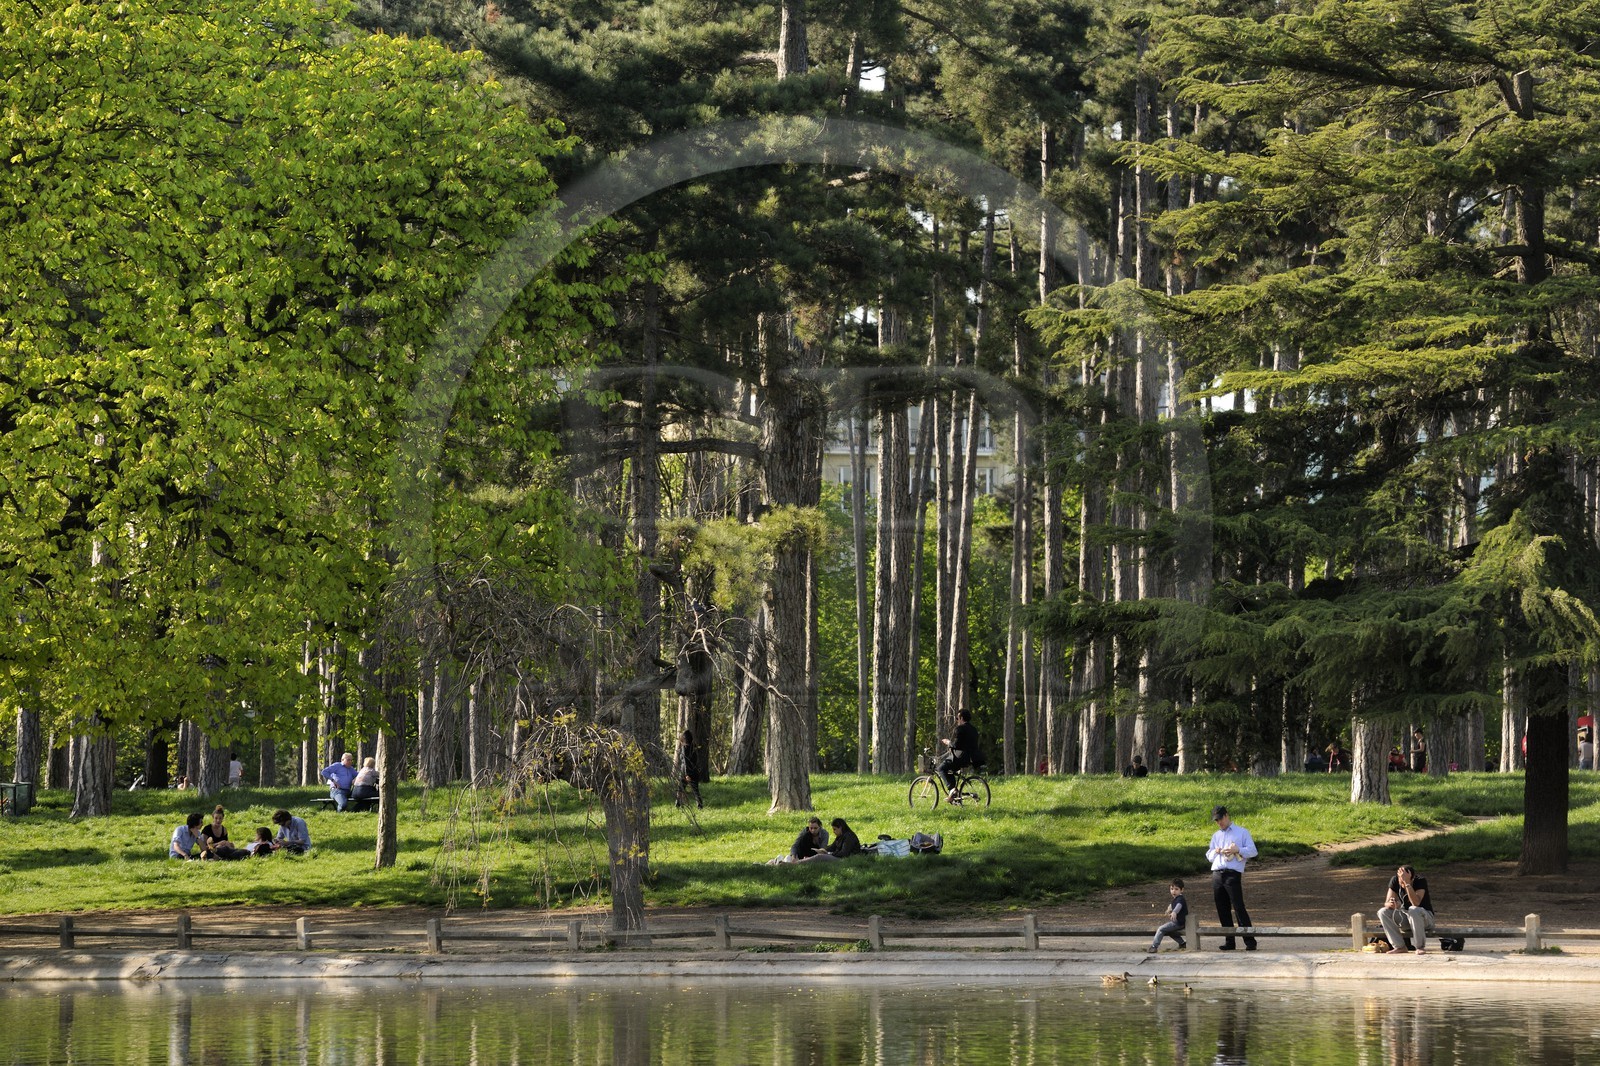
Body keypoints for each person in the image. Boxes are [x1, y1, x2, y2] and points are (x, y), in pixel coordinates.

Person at [1206, 805, 1258, 951]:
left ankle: (1250, 941)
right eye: (1216, 821)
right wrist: (1215, 851)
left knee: (1238, 907)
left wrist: (1238, 850)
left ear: (1227, 816)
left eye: (1221, 819)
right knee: (1222, 908)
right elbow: (1209, 856)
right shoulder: (1216, 836)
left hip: (1232, 874)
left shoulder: (1241, 832)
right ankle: (1230, 941)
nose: (1219, 823)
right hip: (1217, 873)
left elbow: (1253, 851)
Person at [1378, 864, 1435, 954]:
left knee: (1413, 909)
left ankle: (1420, 947)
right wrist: (1392, 904)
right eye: (1400, 878)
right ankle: (1400, 947)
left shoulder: (1420, 881)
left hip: (1425, 919)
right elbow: (1386, 903)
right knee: (1382, 912)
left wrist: (1407, 884)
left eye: (1404, 878)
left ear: (1412, 878)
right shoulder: (1395, 880)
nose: (1402, 882)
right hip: (1406, 918)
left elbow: (1416, 903)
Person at [936, 709, 982, 799]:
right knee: (950, 770)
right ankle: (954, 793)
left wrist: (948, 742)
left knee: (941, 768)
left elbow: (956, 745)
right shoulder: (974, 730)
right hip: (970, 758)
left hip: (960, 757)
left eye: (957, 718)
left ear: (961, 718)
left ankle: (952, 789)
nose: (957, 720)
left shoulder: (960, 729)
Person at [1149, 878, 1188, 953]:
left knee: (1161, 929)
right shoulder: (1176, 899)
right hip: (1179, 922)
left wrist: (1174, 912)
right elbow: (1173, 905)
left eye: (1176, 889)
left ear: (1182, 890)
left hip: (1179, 923)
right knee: (1169, 931)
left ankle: (1154, 946)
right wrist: (1168, 909)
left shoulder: (1180, 899)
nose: (1173, 891)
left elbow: (1179, 906)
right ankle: (1182, 943)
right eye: (1172, 889)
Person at [673, 729, 703, 809]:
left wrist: (687, 774)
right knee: (695, 789)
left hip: (685, 772)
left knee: (680, 788)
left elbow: (686, 761)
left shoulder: (684, 748)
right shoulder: (694, 747)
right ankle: (700, 805)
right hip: (694, 771)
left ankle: (677, 804)